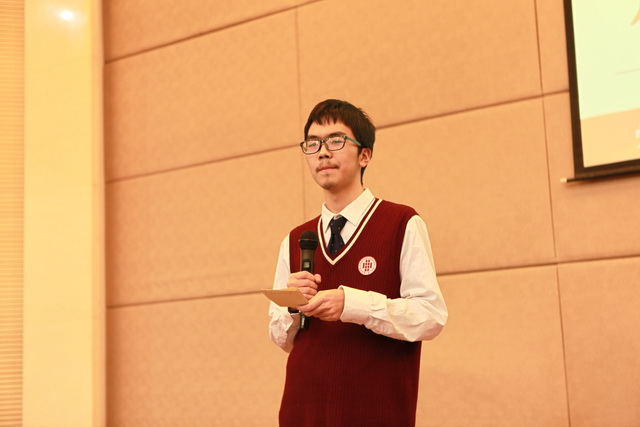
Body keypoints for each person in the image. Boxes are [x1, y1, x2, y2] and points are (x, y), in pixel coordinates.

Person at [268, 99, 448, 426]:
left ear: (365, 155)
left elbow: (430, 316)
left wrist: (352, 304)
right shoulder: (295, 239)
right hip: (303, 411)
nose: (323, 153)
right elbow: (281, 338)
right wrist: (293, 307)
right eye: (313, 144)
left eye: (335, 141)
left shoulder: (401, 222)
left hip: (375, 411)